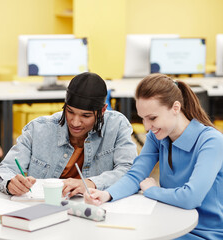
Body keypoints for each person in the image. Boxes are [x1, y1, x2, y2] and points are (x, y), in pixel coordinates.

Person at [84, 73, 223, 239]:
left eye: (152, 118)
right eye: (143, 119)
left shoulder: (211, 141)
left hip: (202, 233)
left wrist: (152, 191)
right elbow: (136, 175)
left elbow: (190, 198)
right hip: (169, 224)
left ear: (176, 108)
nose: (147, 127)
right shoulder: (158, 136)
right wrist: (107, 194)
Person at [0, 72, 137, 197]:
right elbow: (4, 171)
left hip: (95, 209)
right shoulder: (38, 129)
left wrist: (90, 183)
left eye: (86, 116)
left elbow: (130, 170)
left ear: (103, 110)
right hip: (45, 209)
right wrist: (11, 184)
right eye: (70, 111)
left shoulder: (117, 126)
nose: (75, 122)